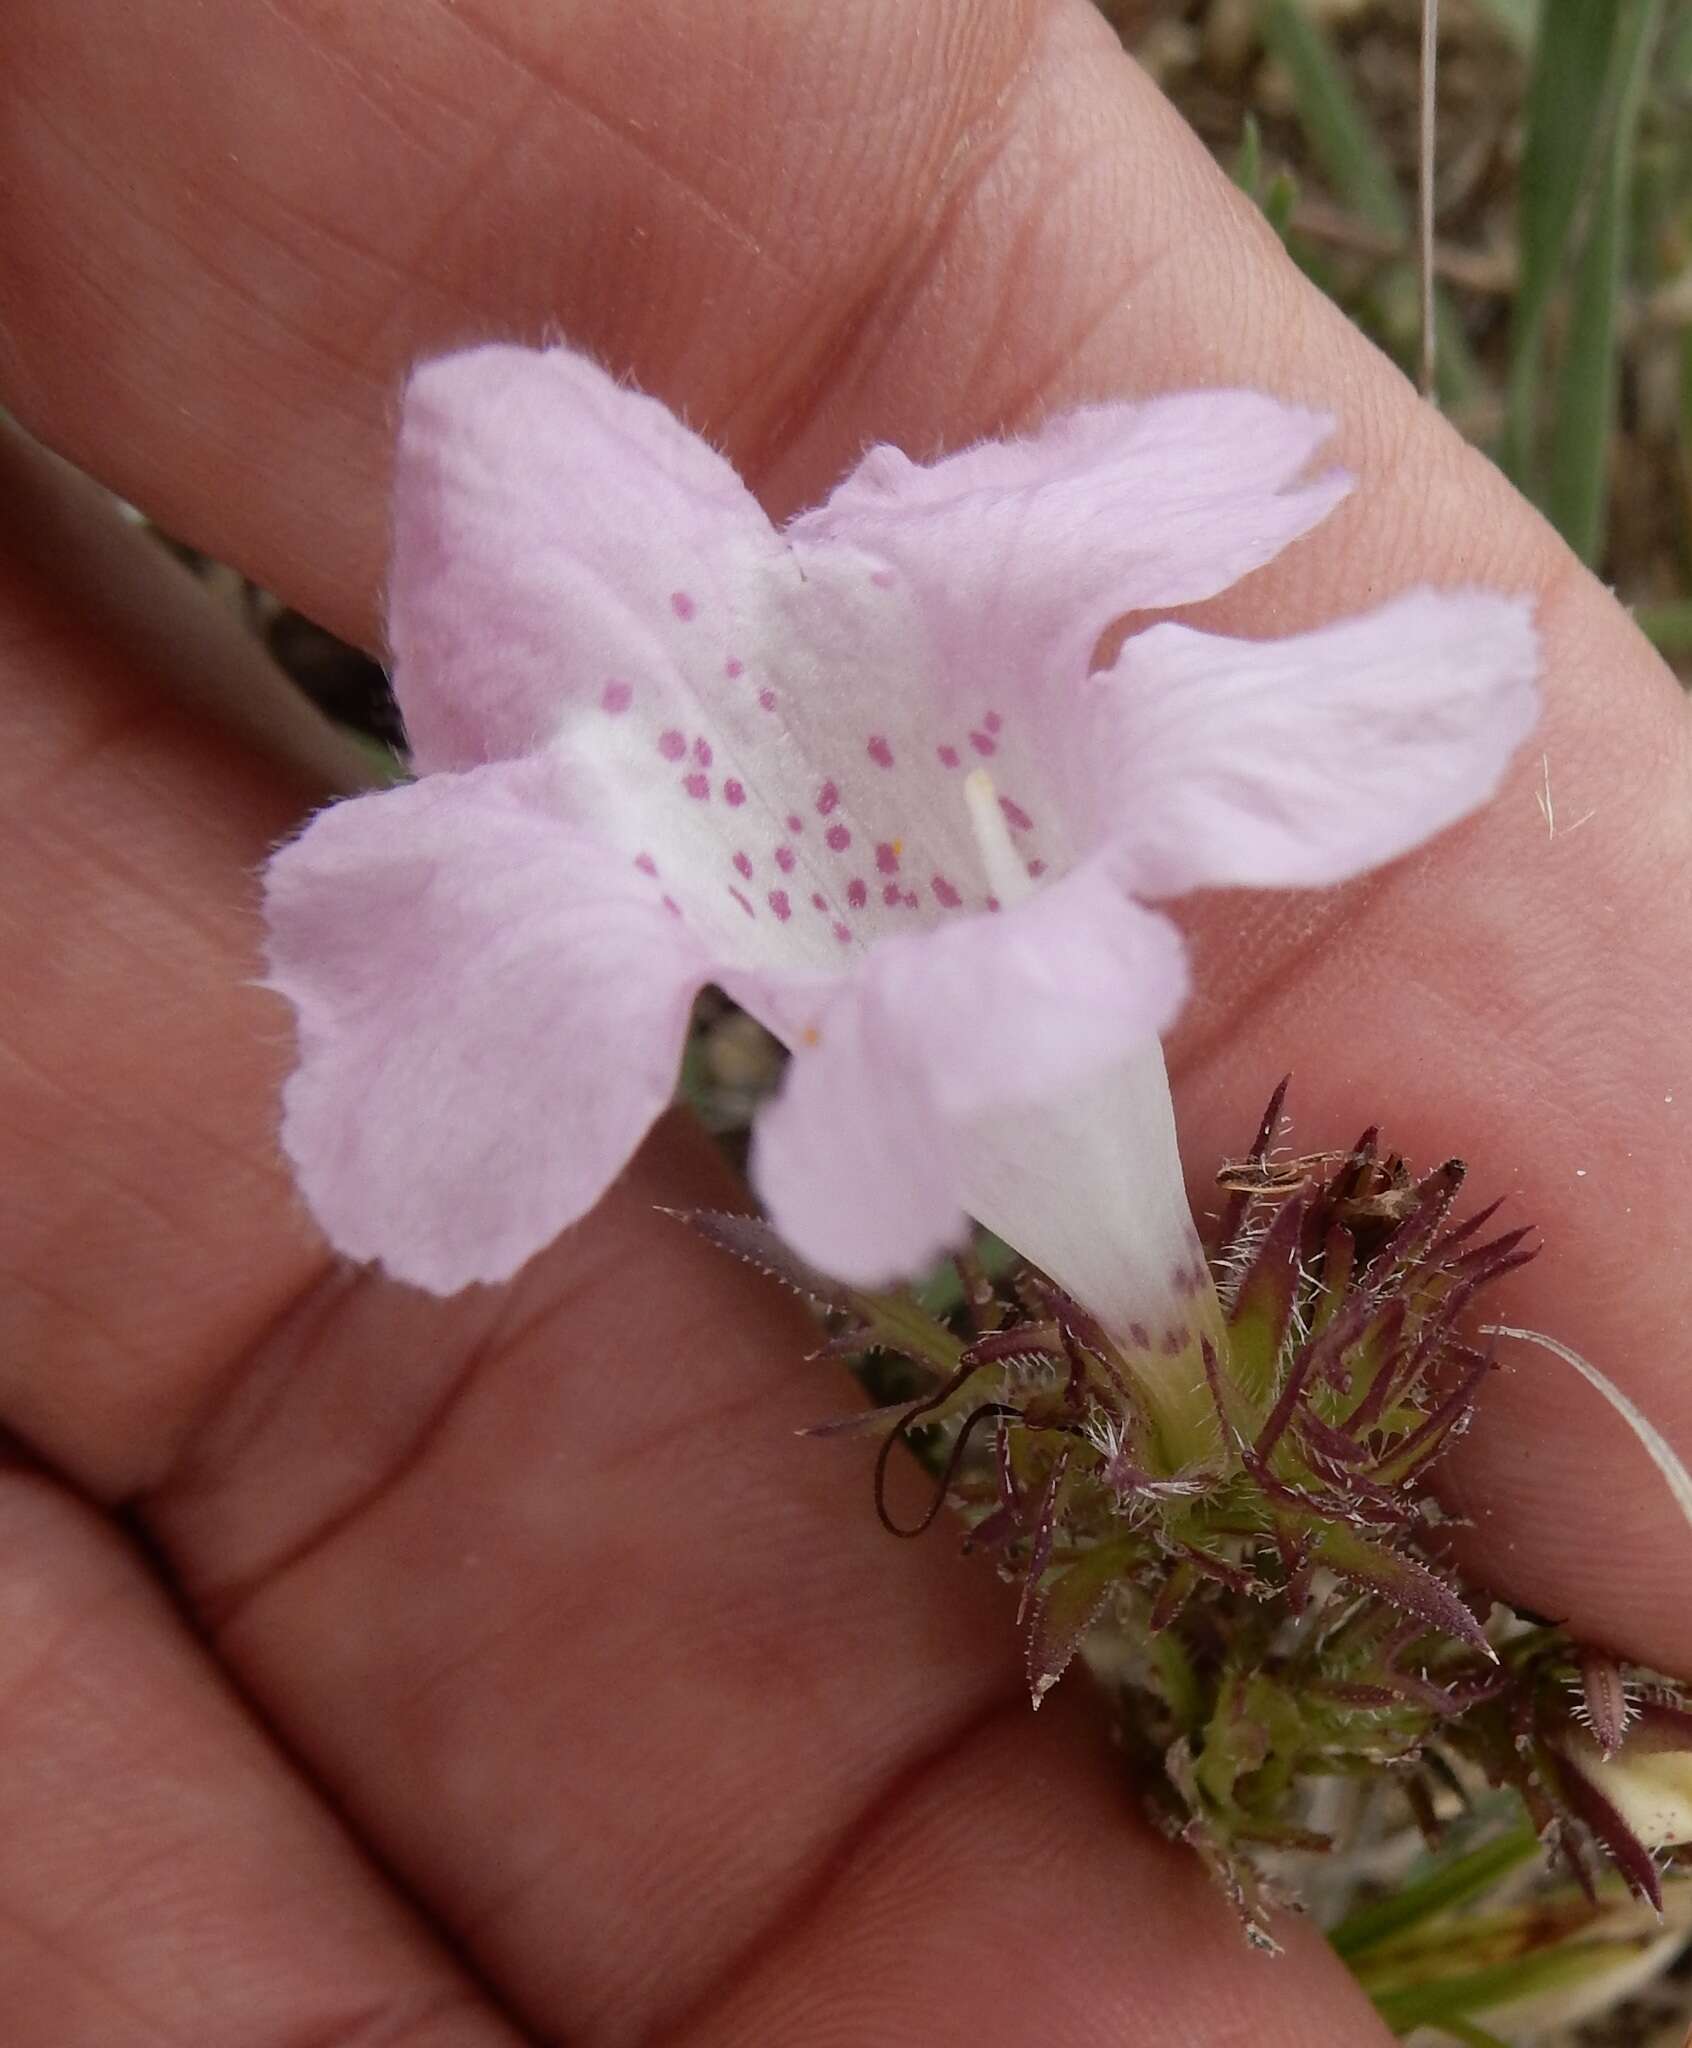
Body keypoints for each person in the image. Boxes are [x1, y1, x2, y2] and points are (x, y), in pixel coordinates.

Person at [0, 5, 1685, 2041]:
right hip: (1146, 1311)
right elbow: (526, 519)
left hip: (1150, 1293)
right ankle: (1189, 1417)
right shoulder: (691, 753)